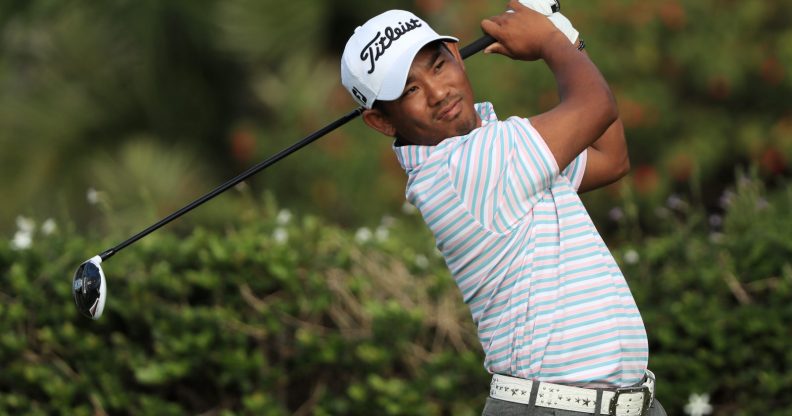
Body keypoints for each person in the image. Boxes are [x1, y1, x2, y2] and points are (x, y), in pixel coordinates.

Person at [340, 1, 666, 415]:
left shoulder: (504, 148)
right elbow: (596, 105)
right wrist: (551, 37)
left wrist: (565, 37)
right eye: (409, 91)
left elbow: (611, 156)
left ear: (457, 56)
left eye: (437, 66)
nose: (437, 92)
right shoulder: (465, 167)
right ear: (382, 122)